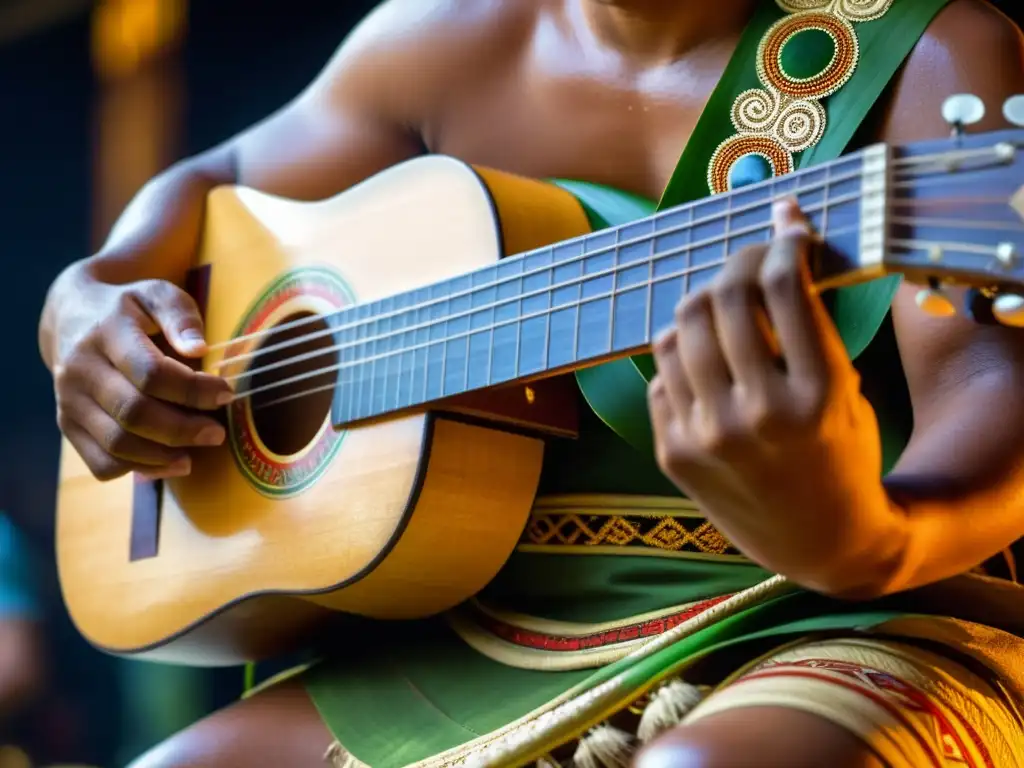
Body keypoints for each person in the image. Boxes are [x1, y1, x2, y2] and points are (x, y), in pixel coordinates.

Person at [37, 0, 1024, 765]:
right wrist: (84, 303)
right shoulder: (439, 39)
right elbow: (212, 186)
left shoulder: (929, 54)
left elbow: (990, 382)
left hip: (826, 608)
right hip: (469, 634)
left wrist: (859, 537)